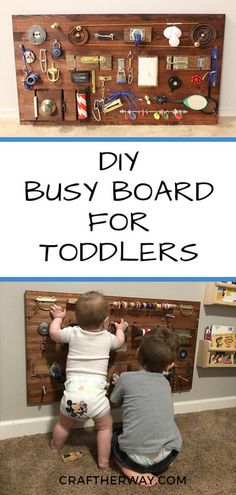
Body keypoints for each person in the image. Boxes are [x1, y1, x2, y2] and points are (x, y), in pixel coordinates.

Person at [49, 291, 127, 469]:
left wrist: (58, 317)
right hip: (96, 398)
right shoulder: (108, 338)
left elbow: (54, 333)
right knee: (105, 427)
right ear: (106, 320)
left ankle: (55, 446)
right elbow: (120, 343)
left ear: (76, 317)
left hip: (72, 396)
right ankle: (103, 461)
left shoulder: (73, 332)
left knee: (63, 424)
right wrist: (120, 330)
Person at [110, 327, 182, 487]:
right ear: (170, 365)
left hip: (133, 459)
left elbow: (114, 402)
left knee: (114, 435)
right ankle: (160, 466)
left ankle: (131, 471)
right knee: (172, 428)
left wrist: (119, 385)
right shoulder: (166, 383)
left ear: (138, 352)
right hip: (167, 456)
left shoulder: (125, 378)